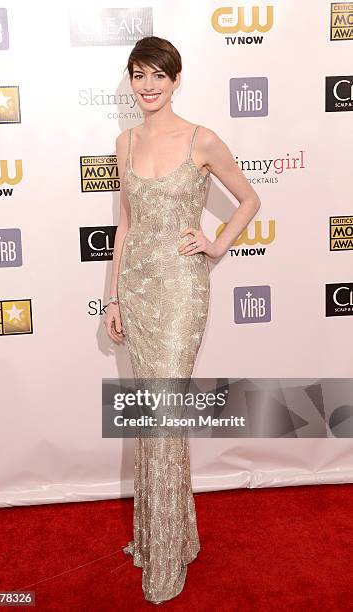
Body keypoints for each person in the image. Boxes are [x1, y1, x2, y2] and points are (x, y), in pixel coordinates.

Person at [104, 36, 261, 604]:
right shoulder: (122, 142)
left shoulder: (202, 139)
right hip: (139, 293)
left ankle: (168, 558)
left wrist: (216, 245)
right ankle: (164, 537)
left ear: (176, 80)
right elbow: (124, 224)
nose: (148, 87)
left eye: (158, 76)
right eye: (139, 75)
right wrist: (114, 297)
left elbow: (248, 200)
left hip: (180, 292)